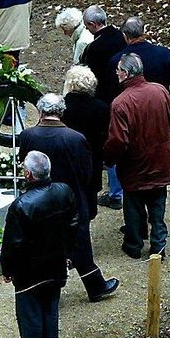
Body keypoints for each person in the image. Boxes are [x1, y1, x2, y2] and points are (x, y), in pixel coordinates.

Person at [17, 94, 119, 301]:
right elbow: (87, 173)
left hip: (40, 200)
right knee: (80, 244)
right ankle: (95, 286)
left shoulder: (28, 135)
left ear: (40, 111)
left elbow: (24, 163)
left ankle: (53, 289)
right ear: (61, 112)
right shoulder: (76, 138)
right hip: (71, 200)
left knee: (44, 246)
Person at [0, 150, 78, 338]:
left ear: (28, 174)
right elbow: (74, 225)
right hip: (55, 264)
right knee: (50, 309)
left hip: (30, 271)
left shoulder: (21, 206)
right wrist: (67, 254)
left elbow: (13, 244)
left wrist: (7, 269)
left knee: (30, 313)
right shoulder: (64, 191)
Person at [104, 53, 170, 259]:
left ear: (125, 73)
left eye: (118, 70)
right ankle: (158, 246)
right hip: (160, 162)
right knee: (157, 207)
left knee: (134, 207)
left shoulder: (121, 103)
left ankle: (133, 244)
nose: (116, 73)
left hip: (134, 166)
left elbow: (118, 141)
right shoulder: (160, 91)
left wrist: (109, 159)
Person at [79, 4, 127, 209]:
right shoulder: (121, 37)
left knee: (109, 145)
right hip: (127, 96)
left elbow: (90, 79)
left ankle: (116, 193)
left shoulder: (95, 48)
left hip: (105, 102)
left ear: (92, 24)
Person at [61, 65, 110, 221]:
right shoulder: (102, 108)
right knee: (87, 208)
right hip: (91, 161)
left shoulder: (61, 106)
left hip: (66, 161)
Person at [108, 16, 170, 103]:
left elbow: (111, 93)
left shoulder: (117, 61)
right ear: (143, 32)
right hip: (159, 107)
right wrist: (169, 103)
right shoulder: (163, 54)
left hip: (131, 111)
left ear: (124, 35)